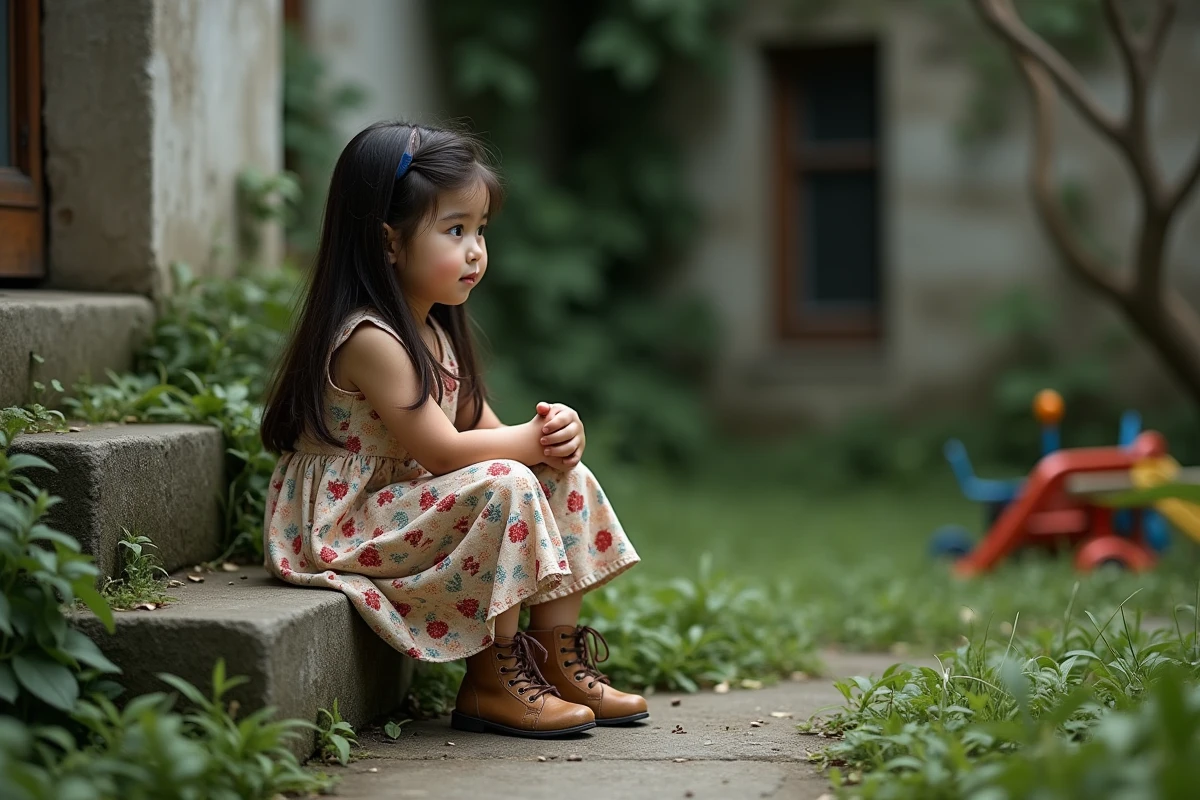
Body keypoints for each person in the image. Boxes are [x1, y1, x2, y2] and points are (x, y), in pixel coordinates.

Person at [259, 121, 646, 738]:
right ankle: (492, 677)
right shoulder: (370, 339)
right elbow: (443, 452)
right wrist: (524, 445)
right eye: (455, 230)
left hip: (399, 506)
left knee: (553, 472)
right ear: (388, 242)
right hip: (344, 521)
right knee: (507, 481)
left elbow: (484, 429)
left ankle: (554, 660)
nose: (475, 251)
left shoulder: (435, 330)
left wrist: (551, 434)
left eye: (481, 231)